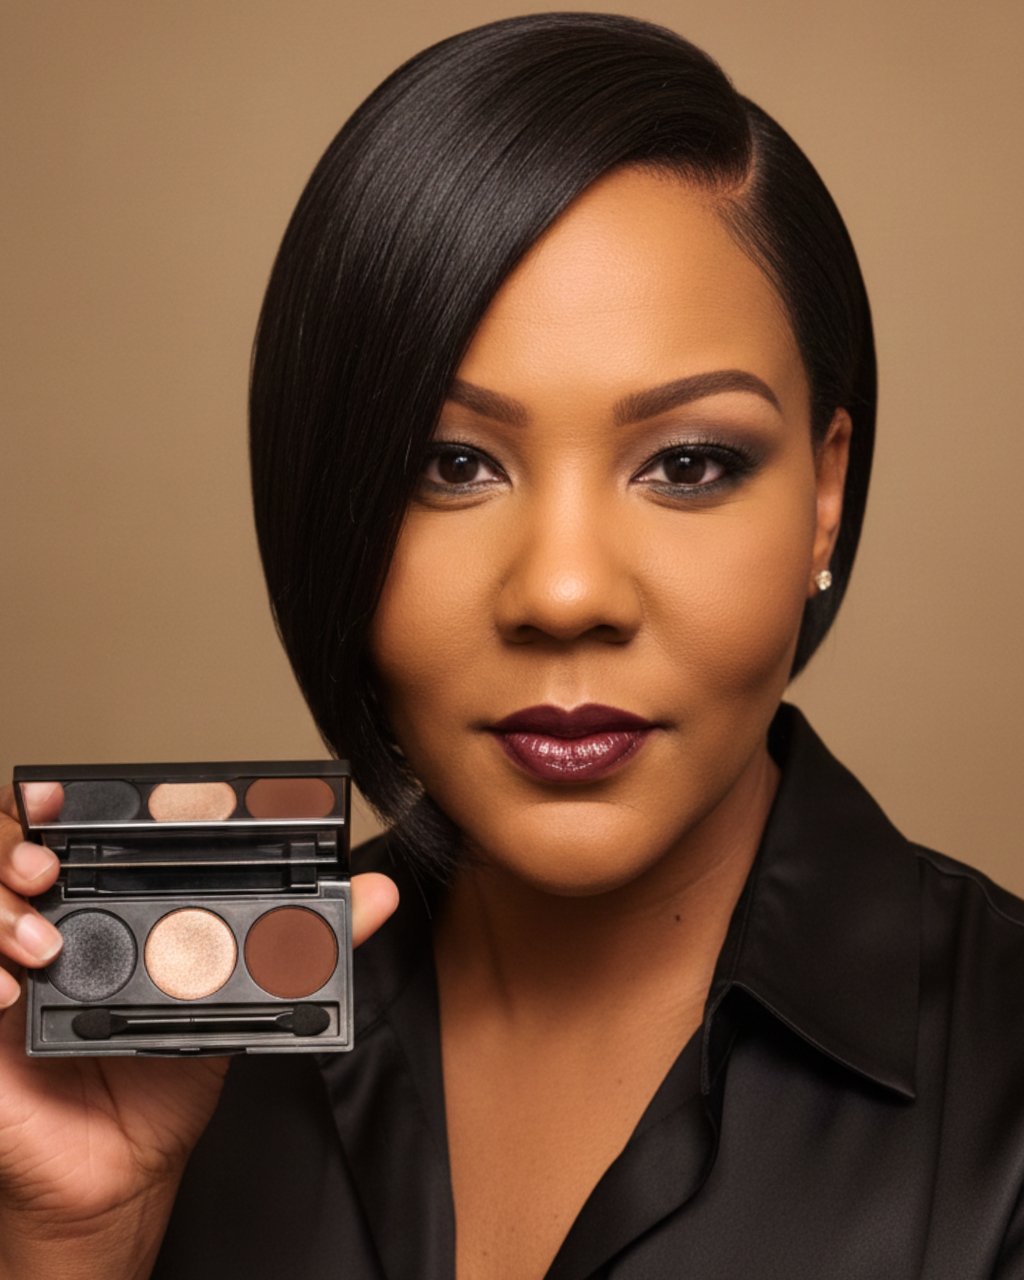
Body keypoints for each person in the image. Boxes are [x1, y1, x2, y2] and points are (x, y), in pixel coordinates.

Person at [1, 12, 1022, 1278]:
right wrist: (71, 1238)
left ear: (824, 492)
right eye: (452, 463)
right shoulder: (179, 1056)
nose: (564, 590)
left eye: (687, 463)